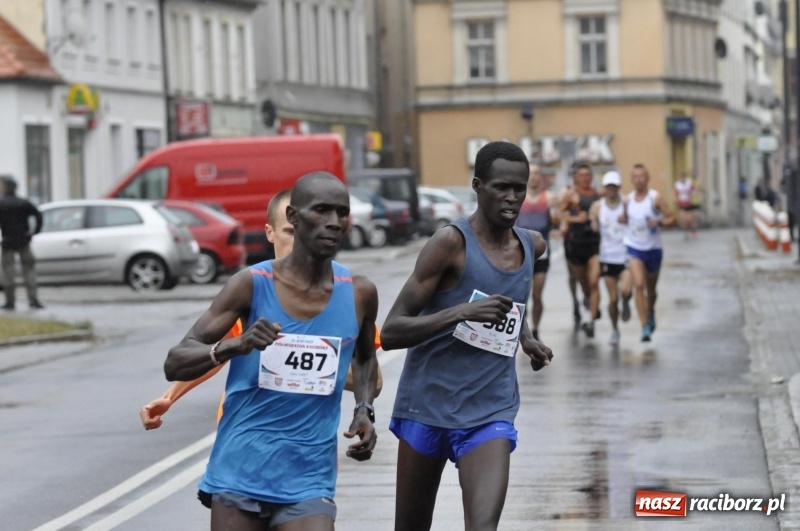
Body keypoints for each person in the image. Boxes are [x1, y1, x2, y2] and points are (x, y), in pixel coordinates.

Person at [163, 173, 379, 531]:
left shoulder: (359, 292)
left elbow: (366, 358)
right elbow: (176, 361)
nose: (334, 222)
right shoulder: (251, 284)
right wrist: (235, 345)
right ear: (293, 216)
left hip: (309, 474)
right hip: (240, 468)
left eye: (342, 213)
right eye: (322, 210)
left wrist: (364, 408)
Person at [380, 141, 553, 531]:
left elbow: (508, 300)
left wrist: (525, 337)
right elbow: (391, 331)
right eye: (501, 187)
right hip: (427, 407)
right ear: (477, 186)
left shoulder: (532, 246)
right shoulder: (450, 245)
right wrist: (460, 312)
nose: (512, 197)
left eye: (520, 188)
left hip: (489, 411)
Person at [140, 190, 383, 430]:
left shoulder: (346, 294)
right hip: (244, 432)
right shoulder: (251, 288)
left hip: (307, 438)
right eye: (289, 232)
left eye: (304, 232)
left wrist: (309, 360)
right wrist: (170, 396)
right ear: (270, 233)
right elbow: (215, 351)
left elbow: (375, 381)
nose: (299, 242)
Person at [622, 164, 676, 342]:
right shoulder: (628, 200)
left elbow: (672, 218)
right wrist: (623, 220)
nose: (639, 180)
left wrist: (659, 223)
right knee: (638, 285)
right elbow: (626, 219)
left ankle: (650, 310)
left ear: (647, 178)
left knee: (651, 291)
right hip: (634, 248)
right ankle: (644, 325)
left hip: (653, 249)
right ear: (631, 180)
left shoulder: (655, 199)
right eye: (635, 177)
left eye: (642, 176)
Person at [516, 164, 559, 341]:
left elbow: (556, 222)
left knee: (537, 295)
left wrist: (554, 210)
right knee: (521, 295)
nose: (533, 177)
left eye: (536, 174)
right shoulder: (519, 198)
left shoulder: (548, 198)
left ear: (541, 177)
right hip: (521, 253)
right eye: (531, 174)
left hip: (541, 253)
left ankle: (535, 329)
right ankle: (521, 327)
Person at [589, 171, 633, 346]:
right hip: (608, 257)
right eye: (609, 186)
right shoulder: (598, 207)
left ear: (619, 187)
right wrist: (593, 223)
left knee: (626, 291)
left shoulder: (627, 203)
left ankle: (627, 301)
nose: (611, 189)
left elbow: (637, 219)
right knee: (613, 299)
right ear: (604, 188)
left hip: (626, 256)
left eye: (614, 186)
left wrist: (628, 219)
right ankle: (615, 330)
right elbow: (592, 220)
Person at [560, 163, 602, 338]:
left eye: (587, 175)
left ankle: (591, 321)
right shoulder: (570, 195)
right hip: (576, 244)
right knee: (584, 283)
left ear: (592, 176)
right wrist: (576, 219)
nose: (585, 178)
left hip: (595, 243)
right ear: (575, 178)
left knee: (594, 282)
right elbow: (560, 216)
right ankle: (588, 300)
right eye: (581, 175)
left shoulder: (598, 195)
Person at [0, 176, 44, 311]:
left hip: (7, 241)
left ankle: (10, 301)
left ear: (7, 187)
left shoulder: (1, 203)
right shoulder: (24, 203)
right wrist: (34, 231)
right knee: (29, 270)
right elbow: (39, 216)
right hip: (23, 240)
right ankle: (33, 299)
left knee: (8, 271)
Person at [673, 171, 701, 239]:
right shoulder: (677, 184)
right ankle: (685, 231)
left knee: (690, 218)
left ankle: (693, 230)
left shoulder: (689, 183)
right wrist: (676, 200)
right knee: (683, 218)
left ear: (685, 178)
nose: (683, 179)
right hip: (681, 203)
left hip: (689, 202)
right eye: (682, 178)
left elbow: (693, 192)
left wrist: (692, 197)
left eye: (684, 178)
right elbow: (675, 193)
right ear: (680, 178)